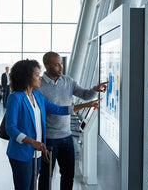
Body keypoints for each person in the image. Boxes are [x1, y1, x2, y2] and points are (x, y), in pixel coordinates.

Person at [6, 59, 100, 190]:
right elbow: (10, 128)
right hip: (22, 153)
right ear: (27, 77)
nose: (40, 78)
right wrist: (32, 142)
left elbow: (58, 109)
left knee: (33, 186)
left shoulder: (37, 96)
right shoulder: (15, 98)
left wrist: (86, 104)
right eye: (37, 75)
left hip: (37, 153)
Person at [37, 51, 109, 190]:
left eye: (61, 64)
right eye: (57, 65)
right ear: (47, 66)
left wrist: (95, 89)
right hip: (49, 139)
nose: (61, 67)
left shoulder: (68, 81)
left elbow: (85, 95)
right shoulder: (39, 86)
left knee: (68, 175)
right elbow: (55, 109)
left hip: (67, 137)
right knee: (46, 176)